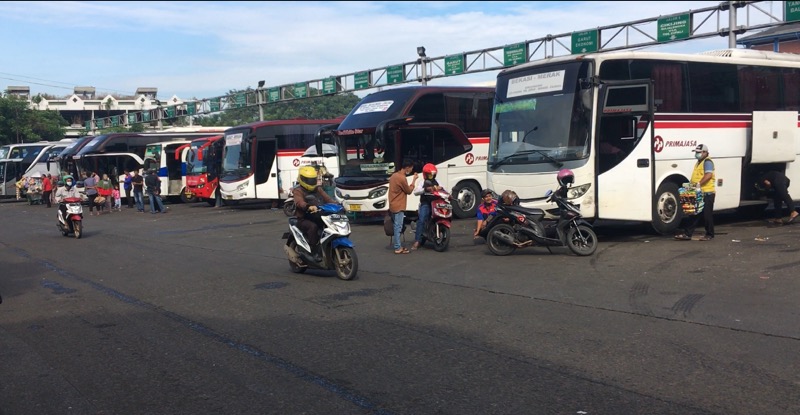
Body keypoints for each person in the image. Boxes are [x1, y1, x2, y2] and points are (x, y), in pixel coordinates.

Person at [293, 166, 335, 261]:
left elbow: (328, 199)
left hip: (318, 216)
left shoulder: (318, 189)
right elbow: (299, 202)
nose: (311, 182)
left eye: (313, 180)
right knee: (313, 227)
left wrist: (338, 204)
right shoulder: (298, 190)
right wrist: (308, 206)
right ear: (302, 179)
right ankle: (313, 251)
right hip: (304, 218)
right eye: (309, 180)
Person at [675, 144, 715, 241]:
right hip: (698, 192)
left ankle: (710, 234)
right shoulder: (699, 162)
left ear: (705, 153)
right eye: (696, 152)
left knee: (707, 215)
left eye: (699, 152)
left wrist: (699, 184)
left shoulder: (707, 162)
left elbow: (708, 175)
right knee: (694, 214)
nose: (697, 154)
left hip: (707, 192)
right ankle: (688, 234)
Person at [388, 159, 418, 254]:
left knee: (396, 226)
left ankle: (398, 245)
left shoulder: (393, 176)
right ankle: (398, 247)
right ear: (407, 167)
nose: (411, 170)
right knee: (398, 227)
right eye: (411, 168)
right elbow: (409, 191)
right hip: (399, 206)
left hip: (393, 205)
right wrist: (414, 180)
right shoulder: (402, 178)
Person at [412, 163, 442, 250]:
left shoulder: (438, 182)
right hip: (426, 203)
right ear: (425, 174)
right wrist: (425, 189)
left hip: (436, 203)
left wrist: (448, 195)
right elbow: (415, 192)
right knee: (421, 220)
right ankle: (417, 241)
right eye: (429, 174)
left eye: (433, 174)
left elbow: (444, 189)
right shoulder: (422, 182)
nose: (431, 176)